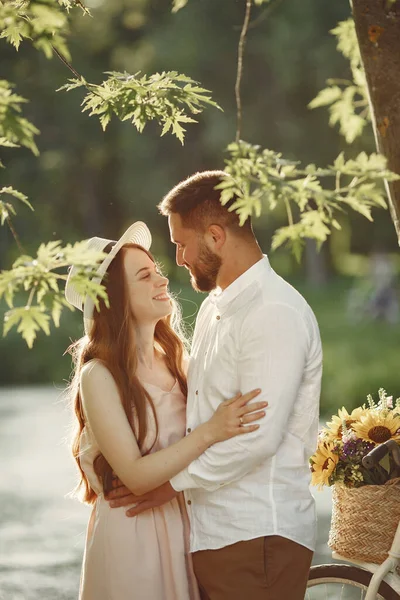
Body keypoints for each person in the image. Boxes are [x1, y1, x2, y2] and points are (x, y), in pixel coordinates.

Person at [108, 172, 323, 600]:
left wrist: (168, 485)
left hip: (258, 537)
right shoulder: (213, 308)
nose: (179, 258)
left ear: (215, 236)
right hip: (210, 537)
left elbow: (257, 440)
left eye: (181, 244)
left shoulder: (273, 312)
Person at [64, 221, 266, 600]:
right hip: (134, 535)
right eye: (144, 276)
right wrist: (212, 431)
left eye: (157, 270)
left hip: (185, 525)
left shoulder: (177, 361)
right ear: (115, 298)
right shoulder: (99, 375)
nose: (161, 280)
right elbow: (137, 478)